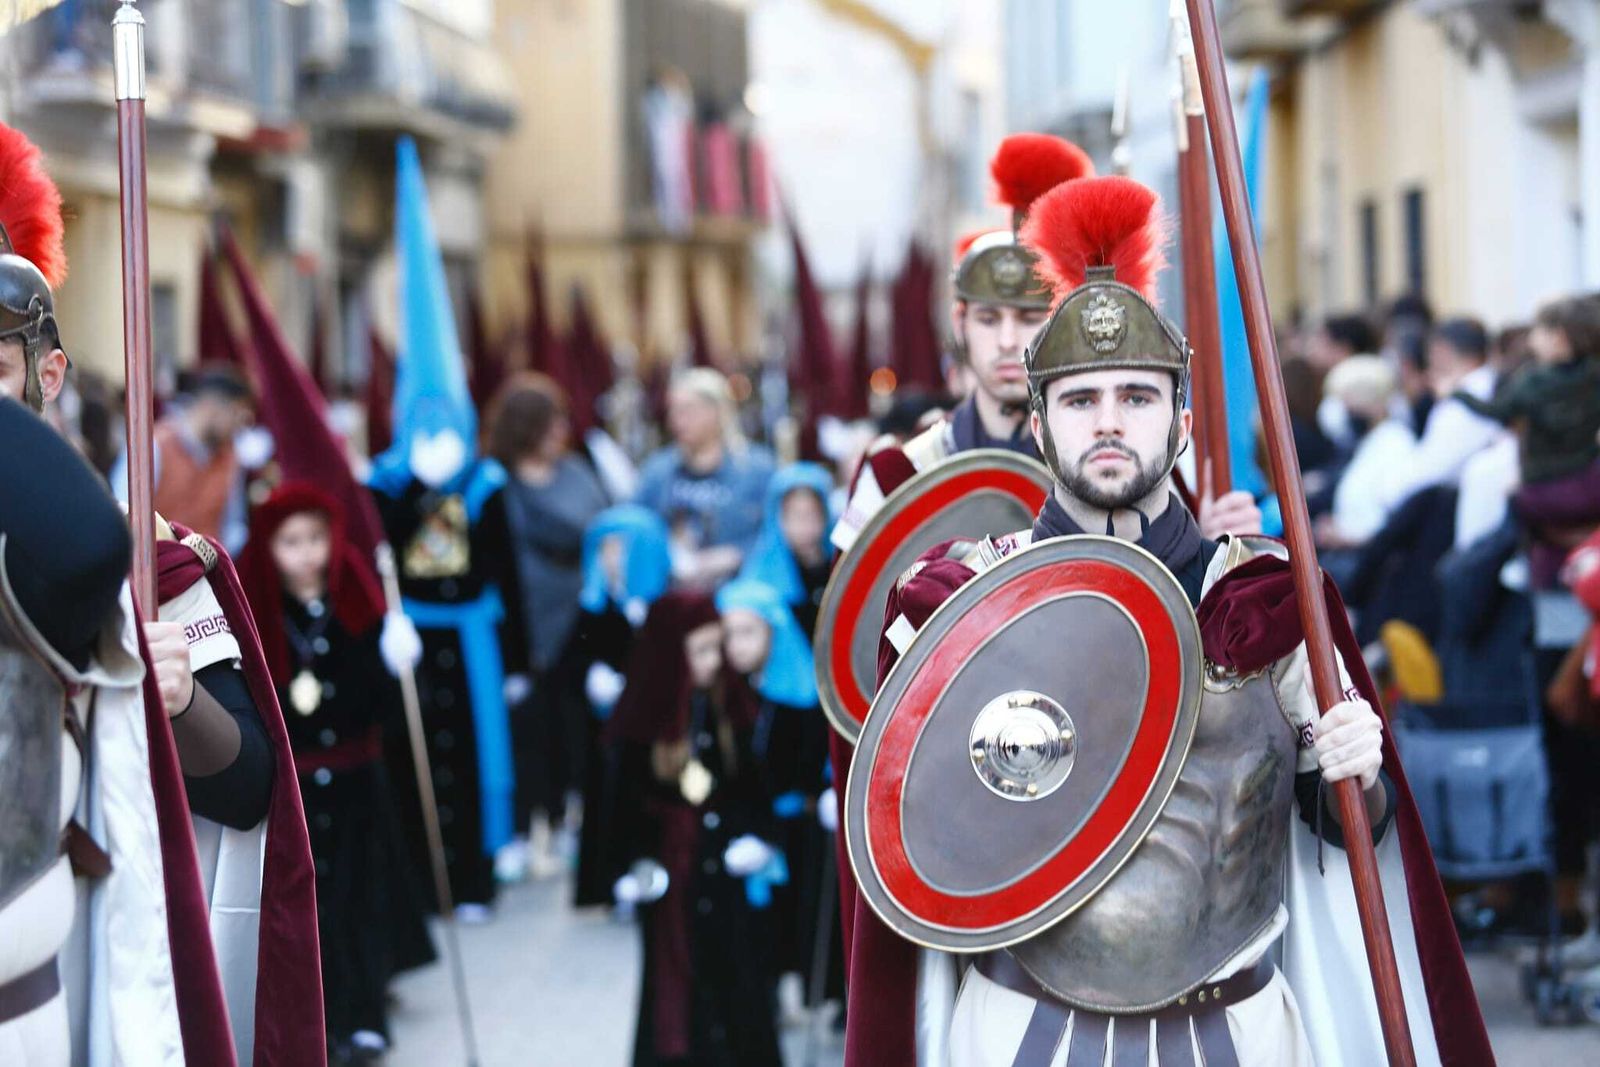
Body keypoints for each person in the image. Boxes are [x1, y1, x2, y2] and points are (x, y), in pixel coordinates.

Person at [838, 174, 1491, 1066]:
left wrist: (1360, 771)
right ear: (1040, 424)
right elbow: (917, 843)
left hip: (1239, 1026)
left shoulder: (1266, 598)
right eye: (1080, 399)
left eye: (1136, 398)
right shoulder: (956, 604)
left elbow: (1343, 833)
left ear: (1180, 420)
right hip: (1024, 1027)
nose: (1110, 424)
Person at [0, 121, 323, 1066]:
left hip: (61, 964)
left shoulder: (150, 563)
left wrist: (176, 700)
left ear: (47, 375)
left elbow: (250, 779)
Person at [367, 137, 530, 919]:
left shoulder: (487, 485)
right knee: (412, 761)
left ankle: (472, 878)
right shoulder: (387, 486)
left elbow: (509, 570)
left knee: (471, 757)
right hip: (412, 633)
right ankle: (422, 888)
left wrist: (522, 658)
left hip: (470, 638)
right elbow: (372, 563)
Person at [238, 483, 435, 1064]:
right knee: (305, 910)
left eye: (316, 539)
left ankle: (364, 1014)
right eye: (291, 542)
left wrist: (397, 662)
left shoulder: (359, 605)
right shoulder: (261, 610)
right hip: (294, 786)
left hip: (356, 783)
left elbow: (391, 713)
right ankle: (313, 1026)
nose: (306, 555)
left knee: (360, 899)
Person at [609, 592, 785, 1067]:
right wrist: (633, 866)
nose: (714, 660)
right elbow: (621, 803)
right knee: (673, 985)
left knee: (737, 978)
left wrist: (757, 838)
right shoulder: (644, 717)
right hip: (670, 872)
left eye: (717, 647)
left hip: (723, 869)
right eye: (701, 650)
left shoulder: (731, 704)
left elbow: (752, 786)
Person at [487, 373, 612, 880]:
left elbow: (602, 531)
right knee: (524, 731)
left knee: (573, 725)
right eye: (550, 420)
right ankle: (521, 829)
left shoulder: (578, 472)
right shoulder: (496, 482)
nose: (561, 429)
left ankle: (569, 823)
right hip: (518, 624)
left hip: (577, 621)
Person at [718, 577, 836, 1019]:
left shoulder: (803, 693)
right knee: (759, 923)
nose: (737, 646)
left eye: (748, 632)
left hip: (800, 826)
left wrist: (824, 792)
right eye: (729, 634)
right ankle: (762, 998)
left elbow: (819, 757)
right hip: (754, 828)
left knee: (801, 916)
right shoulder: (733, 697)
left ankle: (819, 992)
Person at [570, 504, 676, 906]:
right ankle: (607, 879)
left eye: (622, 549)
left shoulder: (662, 609)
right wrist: (593, 675)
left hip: (651, 728)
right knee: (606, 798)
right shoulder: (595, 605)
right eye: (605, 550)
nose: (612, 559)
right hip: (607, 726)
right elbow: (580, 652)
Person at [634, 367, 774, 589]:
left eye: (688, 410)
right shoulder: (658, 471)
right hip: (672, 591)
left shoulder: (757, 469)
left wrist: (737, 554)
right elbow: (637, 524)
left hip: (739, 591)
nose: (677, 420)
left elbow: (777, 533)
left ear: (717, 412)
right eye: (673, 411)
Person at [112, 362, 256, 553]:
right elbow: (123, 514)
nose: (241, 425)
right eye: (237, 414)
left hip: (206, 575)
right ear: (212, 407)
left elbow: (233, 528)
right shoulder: (153, 448)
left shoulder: (231, 458)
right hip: (157, 572)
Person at [1384, 316, 1502, 506]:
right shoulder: (1490, 387)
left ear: (1442, 351)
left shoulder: (1462, 403)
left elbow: (1429, 471)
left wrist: (1389, 494)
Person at [1314, 355, 1416, 552]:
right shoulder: (1368, 442)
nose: (1347, 413)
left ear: (1377, 404)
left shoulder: (1396, 443)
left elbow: (1395, 516)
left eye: (1352, 406)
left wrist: (1346, 538)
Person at [738, 460, 836, 638]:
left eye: (812, 514)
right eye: (795, 516)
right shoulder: (763, 575)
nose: (804, 525)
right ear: (778, 519)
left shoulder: (839, 566)